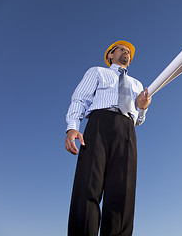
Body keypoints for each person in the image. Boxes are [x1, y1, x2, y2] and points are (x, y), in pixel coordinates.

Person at [65, 40, 151, 236]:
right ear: (110, 55)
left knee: (123, 192)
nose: (126, 53)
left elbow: (139, 120)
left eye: (129, 52)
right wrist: (72, 127)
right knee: (88, 184)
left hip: (127, 128)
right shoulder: (97, 72)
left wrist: (143, 107)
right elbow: (80, 98)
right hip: (99, 123)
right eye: (121, 49)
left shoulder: (137, 84)